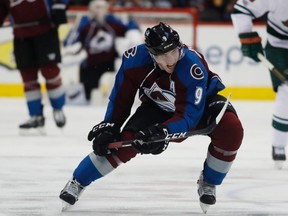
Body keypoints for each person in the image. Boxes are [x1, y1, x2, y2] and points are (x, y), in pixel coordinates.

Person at [59, 22, 244, 213]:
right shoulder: (133, 61)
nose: (170, 59)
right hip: (157, 107)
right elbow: (120, 99)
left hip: (199, 107)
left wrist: (163, 132)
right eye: (163, 55)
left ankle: (209, 182)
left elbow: (189, 117)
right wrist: (110, 126)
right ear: (151, 54)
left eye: (173, 51)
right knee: (125, 142)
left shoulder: (192, 67)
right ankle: (78, 182)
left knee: (231, 128)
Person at [231, 0, 288, 169]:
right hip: (279, 47)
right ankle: (278, 144)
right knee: (287, 90)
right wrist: (247, 37)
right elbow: (241, 10)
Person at [0, 0, 68, 134]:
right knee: (28, 76)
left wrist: (59, 6)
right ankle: (35, 115)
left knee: (51, 72)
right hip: (20, 34)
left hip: (45, 30)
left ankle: (58, 108)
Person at [63, 0, 142, 103]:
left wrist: (133, 35)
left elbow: (132, 27)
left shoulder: (112, 20)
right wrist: (76, 27)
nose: (99, 11)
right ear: (90, 9)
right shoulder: (84, 23)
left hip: (109, 63)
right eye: (96, 7)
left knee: (115, 91)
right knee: (88, 96)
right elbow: (68, 43)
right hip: (90, 65)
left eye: (102, 7)